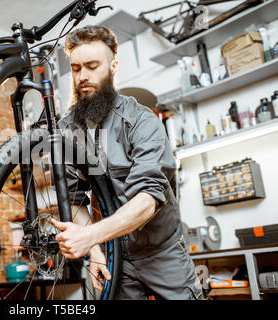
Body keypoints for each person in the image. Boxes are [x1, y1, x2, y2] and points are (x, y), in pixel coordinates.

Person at [50, 25, 203, 300]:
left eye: (92, 66)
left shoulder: (142, 122)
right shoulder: (68, 132)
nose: (82, 77)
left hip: (162, 251)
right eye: (75, 68)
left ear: (113, 66)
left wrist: (91, 237)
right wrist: (95, 251)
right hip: (116, 255)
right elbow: (74, 199)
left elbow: (147, 201)